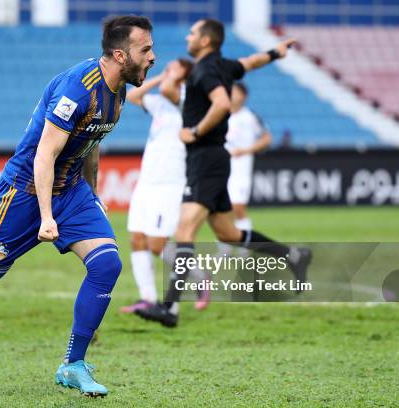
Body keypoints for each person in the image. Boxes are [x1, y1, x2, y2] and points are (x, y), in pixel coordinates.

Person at [0, 15, 155, 397]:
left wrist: (92, 194)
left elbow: (91, 142)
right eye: (146, 50)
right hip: (24, 191)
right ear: (121, 55)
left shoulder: (118, 88)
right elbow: (43, 155)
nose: (153, 57)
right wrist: (45, 217)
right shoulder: (78, 88)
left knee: (107, 263)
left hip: (70, 189)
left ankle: (73, 364)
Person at [136, 19, 311, 328]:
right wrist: (275, 53)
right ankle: (293, 256)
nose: (188, 37)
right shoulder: (223, 65)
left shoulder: (204, 71)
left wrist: (196, 130)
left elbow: (222, 103)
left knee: (184, 232)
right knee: (228, 234)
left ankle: (170, 309)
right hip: (212, 160)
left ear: (205, 41)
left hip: (206, 159)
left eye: (192, 33)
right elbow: (251, 61)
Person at [120, 58, 202, 314]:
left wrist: (169, 79)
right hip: (147, 180)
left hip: (171, 181)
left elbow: (168, 89)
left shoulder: (188, 100)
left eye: (173, 67)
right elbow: (134, 96)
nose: (166, 70)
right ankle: (148, 299)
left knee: (157, 244)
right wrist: (157, 78)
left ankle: (200, 277)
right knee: (136, 238)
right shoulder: (162, 104)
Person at [215, 82, 272, 257]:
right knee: (221, 209)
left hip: (240, 170)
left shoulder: (249, 117)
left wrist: (246, 150)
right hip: (220, 169)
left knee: (237, 207)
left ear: (244, 97)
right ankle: (224, 250)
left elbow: (266, 138)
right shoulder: (219, 114)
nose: (233, 96)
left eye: (237, 93)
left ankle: (244, 250)